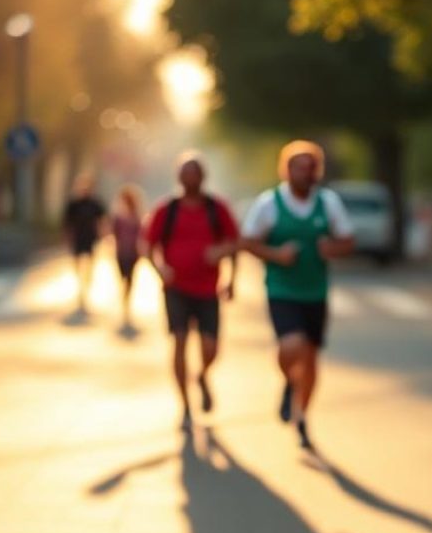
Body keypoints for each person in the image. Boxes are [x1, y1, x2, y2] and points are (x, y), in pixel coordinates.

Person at [241, 141, 356, 450]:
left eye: (311, 167)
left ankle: (302, 414)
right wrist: (276, 255)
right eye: (300, 167)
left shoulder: (328, 202)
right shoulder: (269, 203)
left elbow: (347, 240)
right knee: (292, 345)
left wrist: (331, 248)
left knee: (311, 357)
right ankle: (289, 382)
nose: (307, 173)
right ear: (287, 170)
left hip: (315, 291)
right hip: (281, 288)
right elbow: (249, 242)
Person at [145, 153, 239, 427]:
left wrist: (229, 272)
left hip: (209, 289)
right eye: (185, 174)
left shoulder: (216, 208)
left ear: (202, 177)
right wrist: (160, 269)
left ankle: (202, 376)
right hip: (176, 288)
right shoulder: (167, 209)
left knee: (210, 347)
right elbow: (149, 247)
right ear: (178, 178)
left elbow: (235, 242)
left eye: (194, 174)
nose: (190, 179)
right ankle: (185, 404)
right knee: (180, 341)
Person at [63, 172, 107, 313]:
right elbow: (67, 223)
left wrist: (103, 236)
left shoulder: (95, 203)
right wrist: (68, 238)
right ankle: (80, 286)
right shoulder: (73, 204)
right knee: (77, 264)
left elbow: (102, 220)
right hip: (78, 239)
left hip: (91, 239)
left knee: (90, 264)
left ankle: (86, 284)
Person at [112, 184, 145, 331]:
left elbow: (142, 234)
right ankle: (124, 302)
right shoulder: (119, 217)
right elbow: (114, 234)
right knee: (123, 278)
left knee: (130, 279)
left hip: (133, 253)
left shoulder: (137, 217)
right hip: (121, 253)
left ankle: (127, 304)